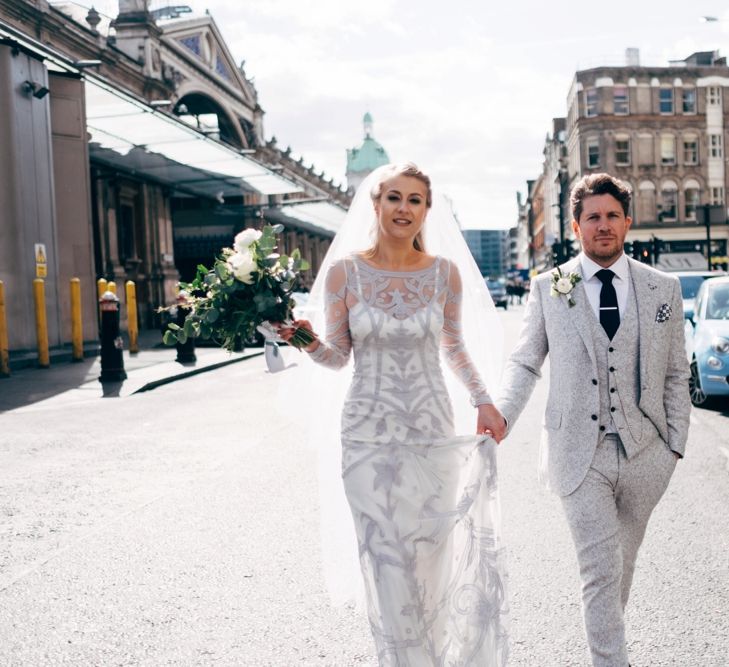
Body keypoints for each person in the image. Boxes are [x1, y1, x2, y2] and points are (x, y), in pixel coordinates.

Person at [278, 163, 509, 666]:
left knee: (429, 561)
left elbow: (453, 346)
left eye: (415, 201)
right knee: (386, 565)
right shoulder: (345, 273)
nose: (404, 209)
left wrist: (483, 399)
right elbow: (337, 356)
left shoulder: (444, 273)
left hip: (431, 435)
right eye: (395, 199)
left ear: (427, 210)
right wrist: (302, 338)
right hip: (367, 439)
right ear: (376, 204)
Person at [484, 173, 691, 666]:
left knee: (621, 566)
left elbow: (677, 373)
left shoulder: (664, 288)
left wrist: (674, 446)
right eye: (592, 217)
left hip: (648, 454)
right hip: (578, 452)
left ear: (627, 222)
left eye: (612, 216)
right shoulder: (549, 288)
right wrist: (503, 415)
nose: (603, 226)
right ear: (576, 226)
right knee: (599, 569)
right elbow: (524, 361)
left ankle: (606, 644)